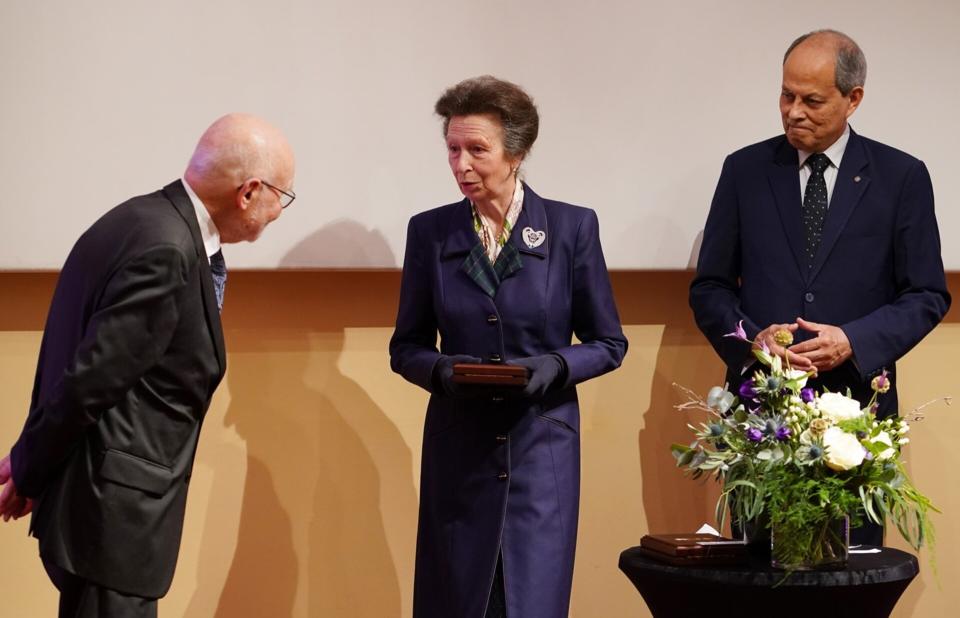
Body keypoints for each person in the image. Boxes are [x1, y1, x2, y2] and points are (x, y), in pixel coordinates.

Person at [0, 113, 296, 617]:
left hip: (100, 515)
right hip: (110, 522)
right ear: (248, 192)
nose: (278, 213)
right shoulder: (167, 249)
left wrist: (33, 461)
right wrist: (29, 470)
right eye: (281, 197)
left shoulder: (138, 219)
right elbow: (88, 380)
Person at [689, 30, 950, 545]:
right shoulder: (744, 171)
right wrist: (752, 341)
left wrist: (853, 340)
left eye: (812, 100)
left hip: (857, 422)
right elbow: (711, 287)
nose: (793, 112)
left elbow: (927, 294)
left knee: (849, 579)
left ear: (853, 99)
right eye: (787, 95)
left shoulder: (901, 177)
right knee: (759, 580)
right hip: (762, 419)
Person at [390, 75, 627, 618]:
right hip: (460, 453)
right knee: (457, 600)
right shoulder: (431, 232)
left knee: (529, 601)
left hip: (541, 453)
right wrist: (446, 372)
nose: (462, 165)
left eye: (477, 150)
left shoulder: (570, 228)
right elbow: (406, 347)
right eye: (453, 150)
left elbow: (609, 342)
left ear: (516, 152)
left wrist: (554, 366)